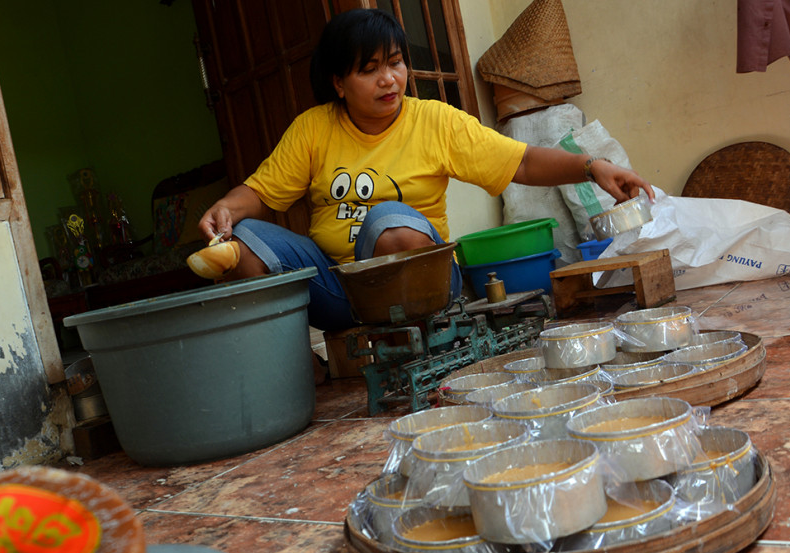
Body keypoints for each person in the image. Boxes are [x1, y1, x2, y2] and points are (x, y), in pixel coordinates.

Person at [195, 8, 654, 332]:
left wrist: (591, 166)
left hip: (423, 288)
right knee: (244, 242)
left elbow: (521, 160)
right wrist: (226, 208)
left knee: (387, 221)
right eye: (369, 69)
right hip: (336, 292)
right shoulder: (313, 128)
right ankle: (292, 364)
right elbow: (259, 193)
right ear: (339, 83)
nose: (389, 79)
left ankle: (411, 344)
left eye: (395, 63)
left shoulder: (435, 121)